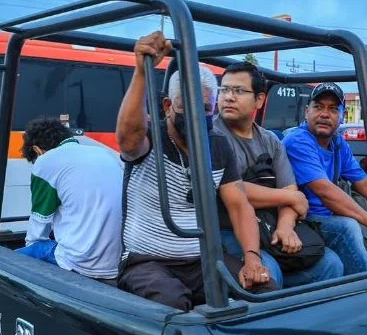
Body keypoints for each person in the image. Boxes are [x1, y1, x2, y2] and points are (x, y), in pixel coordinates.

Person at [115, 31, 276, 311]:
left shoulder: (217, 146)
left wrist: (252, 258)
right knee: (172, 302)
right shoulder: (151, 139)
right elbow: (128, 138)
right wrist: (142, 71)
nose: (195, 116)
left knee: (264, 291)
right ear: (167, 106)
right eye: (185, 106)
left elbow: (239, 207)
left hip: (200, 259)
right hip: (147, 261)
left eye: (203, 108)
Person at [213, 61, 344, 287]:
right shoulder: (211, 136)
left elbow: (289, 188)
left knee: (331, 264)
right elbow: (234, 191)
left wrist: (285, 225)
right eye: (224, 90)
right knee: (268, 272)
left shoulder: (270, 140)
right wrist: (291, 198)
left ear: (259, 100)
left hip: (271, 225)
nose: (228, 97)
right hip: (228, 229)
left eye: (238, 91)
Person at [283, 82, 367, 275]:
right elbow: (325, 191)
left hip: (326, 218)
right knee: (347, 227)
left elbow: (365, 183)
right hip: (300, 219)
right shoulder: (298, 140)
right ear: (307, 111)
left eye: (333, 109)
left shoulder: (338, 144)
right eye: (318, 107)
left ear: (342, 116)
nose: (324, 114)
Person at [17, 117, 123, 285]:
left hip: (81, 262)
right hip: (117, 263)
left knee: (15, 259)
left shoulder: (46, 162)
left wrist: (33, 248)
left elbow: (38, 229)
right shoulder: (104, 153)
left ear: (37, 150)